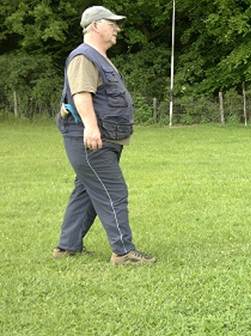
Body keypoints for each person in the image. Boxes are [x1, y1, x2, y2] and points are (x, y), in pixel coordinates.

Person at [54, 6, 155, 265]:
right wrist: (90, 126)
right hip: (89, 139)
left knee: (86, 192)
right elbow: (81, 94)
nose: (117, 29)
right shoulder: (84, 57)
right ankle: (123, 252)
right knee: (114, 190)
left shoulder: (97, 57)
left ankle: (67, 247)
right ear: (96, 25)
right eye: (112, 24)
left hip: (102, 138)